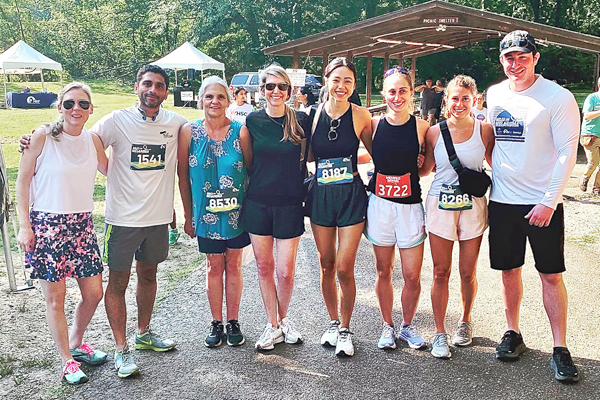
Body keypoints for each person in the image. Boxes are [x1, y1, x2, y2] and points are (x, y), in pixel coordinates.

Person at [487, 30, 580, 382]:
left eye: (522, 57)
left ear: (535, 57)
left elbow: (567, 154)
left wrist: (548, 201)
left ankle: (560, 348)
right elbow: (489, 140)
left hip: (542, 204)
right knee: (509, 271)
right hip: (503, 202)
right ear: (502, 60)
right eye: (509, 58)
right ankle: (513, 333)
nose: (516, 64)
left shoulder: (557, 97)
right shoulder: (494, 94)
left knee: (550, 275)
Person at [93, 65, 186, 378]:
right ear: (136, 87)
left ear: (165, 92)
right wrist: (106, 167)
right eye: (148, 84)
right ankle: (121, 349)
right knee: (117, 283)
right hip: (122, 220)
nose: (153, 90)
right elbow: (87, 137)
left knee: (149, 276)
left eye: (159, 86)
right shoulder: (117, 120)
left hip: (157, 220)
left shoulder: (175, 123)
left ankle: (143, 333)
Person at [16, 82, 109, 385]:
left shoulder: (93, 140)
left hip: (81, 224)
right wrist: (25, 225)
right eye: (69, 104)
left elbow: (114, 170)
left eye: (83, 104)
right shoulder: (43, 137)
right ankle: (66, 360)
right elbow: (22, 181)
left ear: (91, 109)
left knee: (94, 293)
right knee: (55, 299)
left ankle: (76, 343)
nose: (76, 110)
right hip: (47, 224)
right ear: (59, 107)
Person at [421, 75, 494, 358]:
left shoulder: (484, 131)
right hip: (441, 204)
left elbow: (498, 164)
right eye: (454, 98)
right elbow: (425, 169)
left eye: (466, 98)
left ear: (475, 100)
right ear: (446, 100)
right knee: (441, 271)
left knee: (467, 271)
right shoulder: (434, 132)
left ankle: (465, 320)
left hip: (473, 206)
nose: (460, 104)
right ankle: (440, 332)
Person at [240, 65, 311, 351]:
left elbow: (312, 157)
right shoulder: (252, 122)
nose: (276, 91)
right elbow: (249, 163)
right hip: (258, 202)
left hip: (290, 204)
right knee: (264, 266)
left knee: (285, 271)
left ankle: (284, 320)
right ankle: (271, 325)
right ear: (261, 91)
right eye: (270, 86)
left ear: (290, 91)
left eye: (282, 87)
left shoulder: (301, 121)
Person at [305, 57, 372, 357]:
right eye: (336, 80)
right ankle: (332, 322)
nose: (341, 86)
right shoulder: (312, 115)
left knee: (345, 268)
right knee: (326, 265)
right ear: (326, 80)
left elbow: (378, 154)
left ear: (354, 85)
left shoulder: (360, 116)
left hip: (351, 197)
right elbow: (304, 156)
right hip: (320, 196)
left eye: (348, 81)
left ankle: (346, 328)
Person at [178, 76, 250, 348]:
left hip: (236, 215)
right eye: (209, 96)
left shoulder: (240, 132)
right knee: (213, 266)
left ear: (229, 101)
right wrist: (188, 215)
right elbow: (183, 177)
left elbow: (250, 172)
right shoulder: (189, 132)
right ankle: (216, 321)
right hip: (205, 216)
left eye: (220, 96)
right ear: (200, 101)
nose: (214, 102)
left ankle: (233, 321)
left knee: (233, 264)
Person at [364, 67, 429, 351]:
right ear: (384, 95)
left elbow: (427, 166)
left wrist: (419, 167)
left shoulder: (422, 127)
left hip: (410, 207)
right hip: (380, 206)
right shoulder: (373, 124)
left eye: (403, 90)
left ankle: (407, 325)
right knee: (383, 270)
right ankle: (387, 325)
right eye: (392, 91)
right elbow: (368, 154)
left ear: (412, 92)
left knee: (412, 274)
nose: (397, 96)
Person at [579, 77, 600, 195]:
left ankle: (597, 189)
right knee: (594, 162)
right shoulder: (592, 98)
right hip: (591, 135)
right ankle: (585, 178)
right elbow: (586, 116)